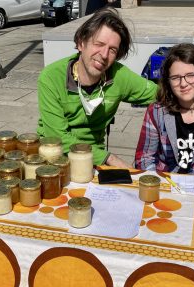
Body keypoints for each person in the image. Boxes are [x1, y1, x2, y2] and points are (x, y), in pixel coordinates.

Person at [37, 8, 157, 168]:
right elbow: (58, 137)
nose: (104, 54)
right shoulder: (51, 77)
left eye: (112, 50)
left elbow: (162, 94)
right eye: (99, 44)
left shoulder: (119, 75)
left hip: (93, 161)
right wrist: (109, 158)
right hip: (54, 157)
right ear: (81, 43)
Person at [134, 43, 194, 176]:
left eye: (191, 75)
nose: (183, 84)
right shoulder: (157, 112)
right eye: (175, 78)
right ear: (168, 81)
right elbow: (145, 159)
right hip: (164, 185)